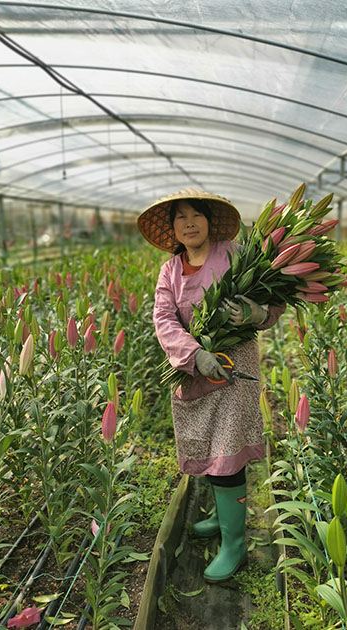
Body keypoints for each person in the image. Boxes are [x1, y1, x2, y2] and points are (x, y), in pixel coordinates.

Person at [137, 189, 286, 582]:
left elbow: (273, 298)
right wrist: (194, 354)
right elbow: (164, 319)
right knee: (207, 444)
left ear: (208, 221)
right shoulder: (170, 270)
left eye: (196, 215)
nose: (189, 223)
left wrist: (256, 313)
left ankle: (235, 544)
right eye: (180, 217)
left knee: (227, 452)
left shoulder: (234, 254)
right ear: (172, 229)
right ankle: (224, 520)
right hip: (194, 365)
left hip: (234, 365)